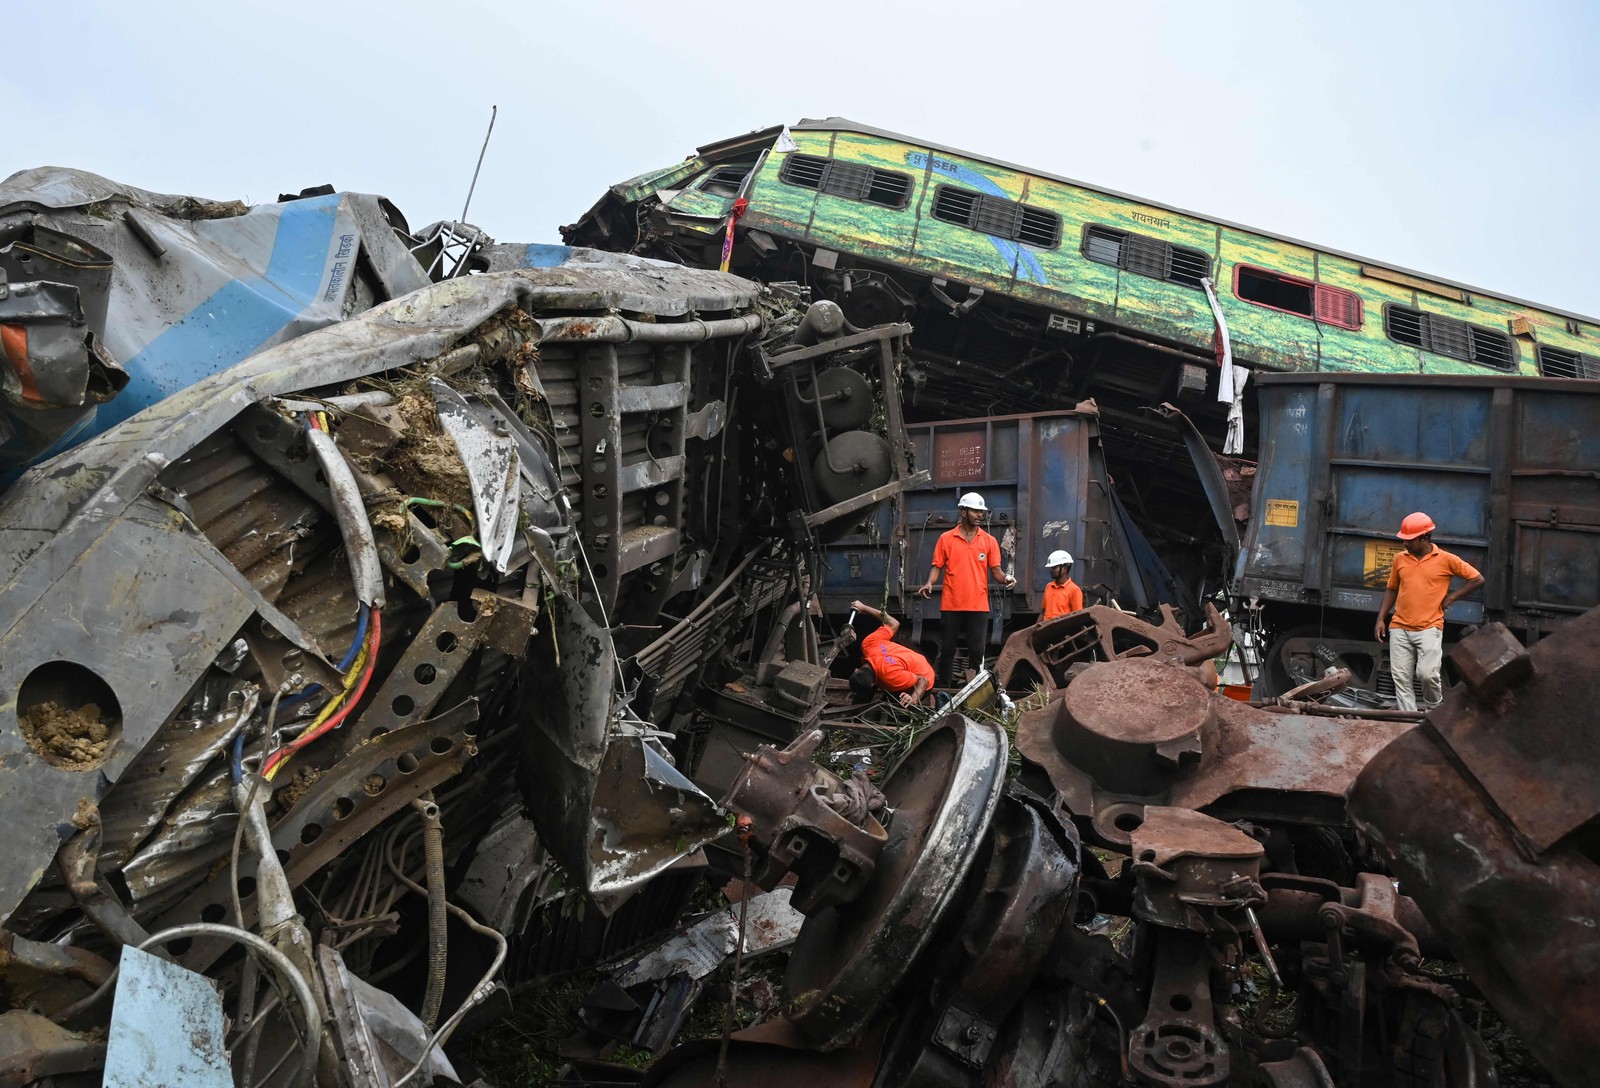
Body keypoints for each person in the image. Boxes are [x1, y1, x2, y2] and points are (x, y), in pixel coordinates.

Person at [1374, 511, 1484, 712]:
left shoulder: (1446, 560)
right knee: (1401, 677)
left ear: (1424, 538)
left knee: (1427, 674)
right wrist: (1381, 618)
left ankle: (1435, 711)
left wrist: (1451, 598)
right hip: (1399, 626)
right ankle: (1408, 721)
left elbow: (1477, 579)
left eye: (1409, 540)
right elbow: (1391, 589)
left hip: (1429, 627)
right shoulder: (1400, 559)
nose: (1404, 544)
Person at [917, 492, 1016, 686]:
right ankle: (944, 691)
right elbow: (937, 566)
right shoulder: (946, 539)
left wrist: (1007, 579)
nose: (980, 515)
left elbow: (996, 572)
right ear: (963, 512)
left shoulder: (989, 541)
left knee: (977, 652)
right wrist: (929, 583)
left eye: (982, 512)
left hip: (978, 606)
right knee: (947, 650)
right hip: (951, 605)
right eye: (975, 511)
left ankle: (973, 692)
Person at [846, 599, 936, 707]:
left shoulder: (891, 677)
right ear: (857, 670)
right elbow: (893, 623)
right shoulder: (868, 644)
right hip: (910, 662)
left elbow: (923, 681)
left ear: (874, 684)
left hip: (924, 677)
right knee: (863, 693)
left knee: (896, 705)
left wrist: (913, 698)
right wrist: (863, 607)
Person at [1040, 549, 1083, 621]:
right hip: (1046, 630)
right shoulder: (1049, 586)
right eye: (1051, 567)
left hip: (1063, 631)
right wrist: (1033, 631)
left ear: (1064, 568)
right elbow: (1043, 612)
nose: (1051, 570)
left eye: (1054, 567)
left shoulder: (1074, 590)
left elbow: (1077, 617)